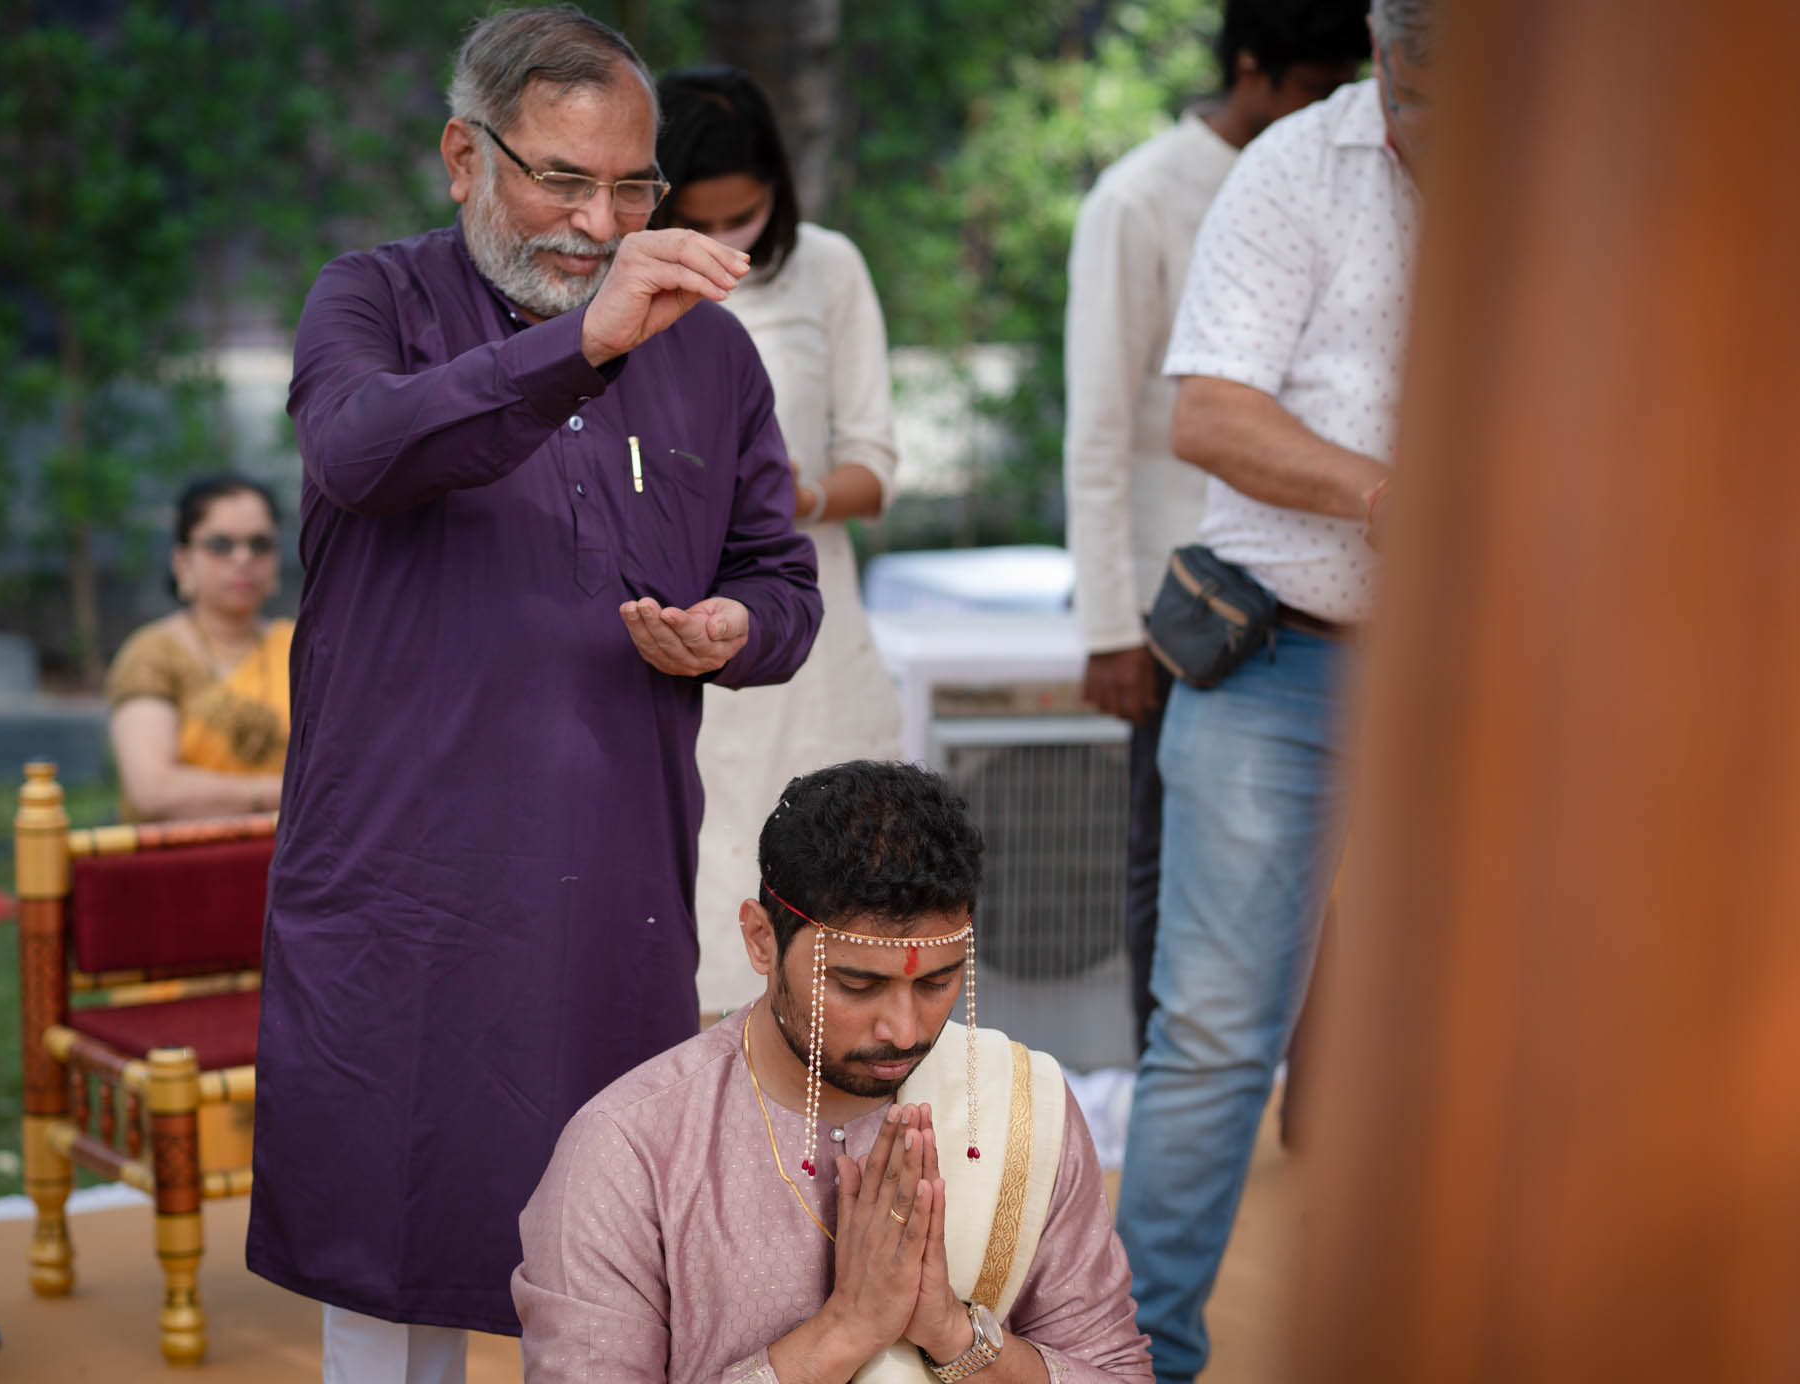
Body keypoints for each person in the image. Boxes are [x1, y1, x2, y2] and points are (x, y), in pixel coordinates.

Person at [244, 9, 823, 1380]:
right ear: (463, 156)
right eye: (561, 180)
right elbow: (360, 450)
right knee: (391, 1254)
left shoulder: (709, 350)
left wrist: (733, 625)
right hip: (403, 886)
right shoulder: (371, 300)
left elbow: (782, 580)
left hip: (607, 886)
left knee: (609, 1251)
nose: (598, 224)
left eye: (632, 187)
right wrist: (584, 345)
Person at [1112, 2, 1437, 1380]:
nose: (1432, 136)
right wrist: (1391, 495)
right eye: (1413, 96)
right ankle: (1137, 1355)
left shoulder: (1588, 175)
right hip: (1282, 658)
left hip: (1495, 678)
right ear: (1380, 48)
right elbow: (1211, 414)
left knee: (1489, 1026)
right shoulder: (1297, 167)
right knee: (1212, 1034)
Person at [514, 759, 1154, 1382]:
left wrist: (955, 1336)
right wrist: (844, 1331)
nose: (904, 1030)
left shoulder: (1019, 1105)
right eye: (857, 985)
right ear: (761, 939)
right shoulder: (629, 1152)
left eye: (937, 982)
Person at [1063, 0, 1368, 1055]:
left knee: (1337, 880)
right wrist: (1110, 628)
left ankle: (1317, 1106)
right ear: (1250, 69)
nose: (1337, 109)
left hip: (1322, 585)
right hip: (1184, 600)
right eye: (1317, 87)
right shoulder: (1140, 197)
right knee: (1173, 865)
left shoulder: (1355, 179)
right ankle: (1168, 1092)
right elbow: (1099, 426)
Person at [650, 67, 906, 1022]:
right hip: (673, 632)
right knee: (688, 929)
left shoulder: (828, 269)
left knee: (836, 922)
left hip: (802, 638)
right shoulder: (621, 283)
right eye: (699, 222)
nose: (724, 242)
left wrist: (795, 496)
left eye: (745, 219)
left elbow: (875, 467)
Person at [104, 474, 291, 822]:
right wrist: (289, 794)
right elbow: (152, 790)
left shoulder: (302, 647)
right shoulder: (153, 654)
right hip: (184, 851)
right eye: (220, 545)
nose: (243, 558)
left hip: (295, 848)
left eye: (260, 544)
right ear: (182, 562)